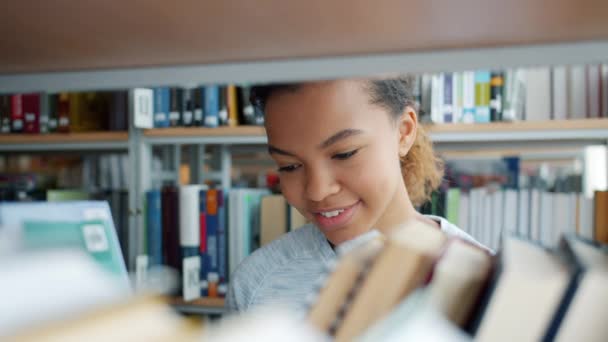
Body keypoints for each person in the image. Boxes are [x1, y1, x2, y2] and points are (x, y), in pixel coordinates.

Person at [225, 76, 484, 313]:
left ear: (404, 132)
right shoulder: (255, 285)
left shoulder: (483, 280)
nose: (317, 191)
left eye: (344, 154)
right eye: (289, 166)